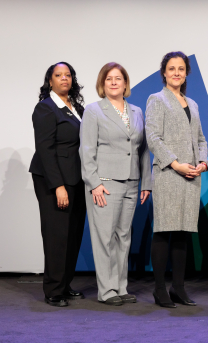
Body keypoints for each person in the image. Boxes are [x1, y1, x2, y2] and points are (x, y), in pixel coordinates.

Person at [80, 62, 152, 306]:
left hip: (132, 183)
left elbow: (142, 151)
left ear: (125, 83)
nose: (113, 82)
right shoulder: (93, 111)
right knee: (105, 238)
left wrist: (146, 183)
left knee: (124, 237)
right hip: (105, 184)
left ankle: (120, 287)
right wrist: (94, 184)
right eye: (108, 78)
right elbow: (87, 151)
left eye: (118, 78)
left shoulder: (137, 112)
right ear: (102, 83)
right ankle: (107, 291)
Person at [145, 51, 208, 308]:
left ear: (186, 73)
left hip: (191, 176)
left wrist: (202, 162)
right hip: (169, 174)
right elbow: (153, 138)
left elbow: (201, 139)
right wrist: (176, 164)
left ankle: (178, 288)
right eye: (172, 69)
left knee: (183, 233)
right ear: (164, 72)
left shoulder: (192, 104)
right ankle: (160, 290)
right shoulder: (156, 99)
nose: (176, 73)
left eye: (181, 69)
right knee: (164, 231)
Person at [29, 61, 86, 307]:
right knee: (57, 234)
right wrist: (58, 186)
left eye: (68, 75)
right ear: (50, 81)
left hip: (76, 177)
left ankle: (65, 283)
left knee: (73, 233)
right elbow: (44, 149)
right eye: (58, 75)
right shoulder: (45, 108)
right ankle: (53, 290)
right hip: (53, 179)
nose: (64, 78)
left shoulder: (78, 108)